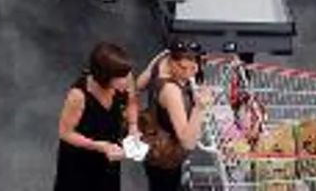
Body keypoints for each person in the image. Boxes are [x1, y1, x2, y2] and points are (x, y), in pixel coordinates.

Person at [53, 42, 135, 191]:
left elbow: (131, 101)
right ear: (105, 76)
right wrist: (100, 146)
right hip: (80, 160)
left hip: (108, 156)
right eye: (121, 77)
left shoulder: (124, 76)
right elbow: (65, 133)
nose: (127, 80)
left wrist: (133, 126)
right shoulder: (78, 96)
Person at [134, 41, 209, 191]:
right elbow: (187, 141)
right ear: (172, 61)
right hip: (166, 156)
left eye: (194, 67)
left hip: (154, 142)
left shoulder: (161, 58)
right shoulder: (171, 91)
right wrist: (199, 108)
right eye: (183, 67)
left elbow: (138, 85)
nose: (189, 73)